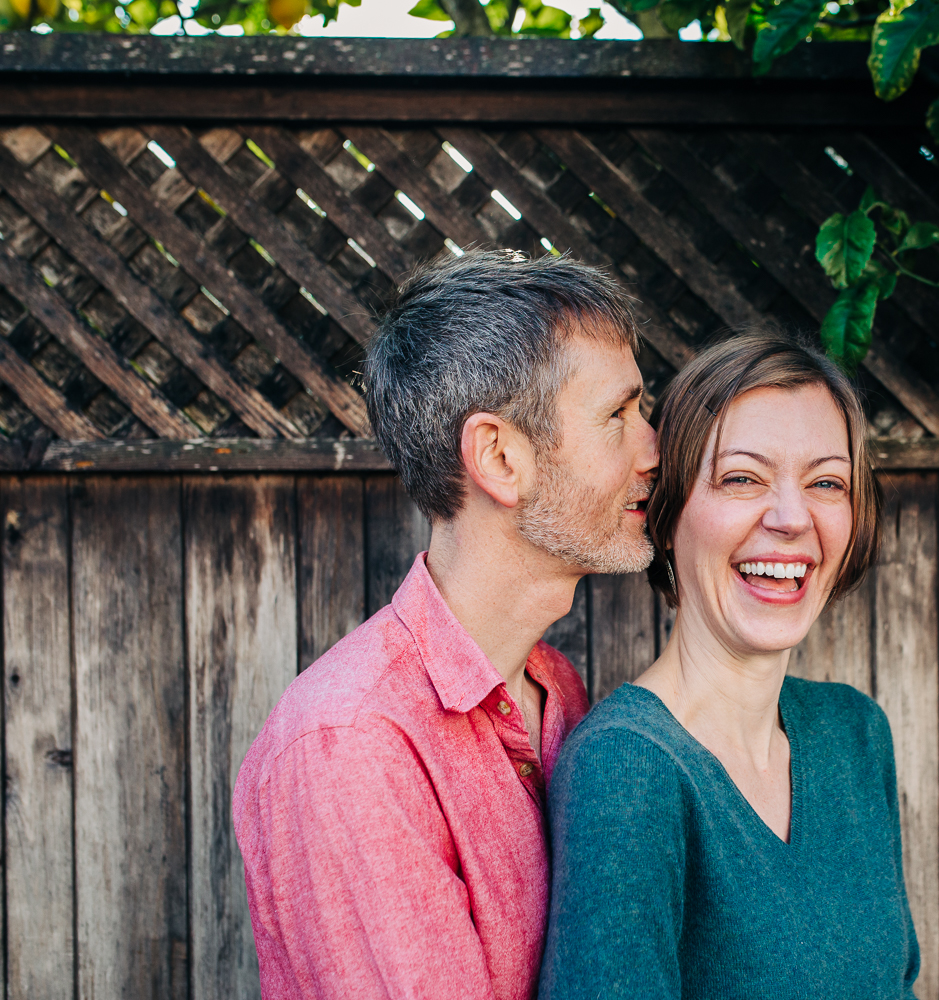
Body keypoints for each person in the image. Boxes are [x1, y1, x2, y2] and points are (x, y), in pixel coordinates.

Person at [232, 251, 658, 999]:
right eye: (618, 416)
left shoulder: (557, 690)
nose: (653, 450)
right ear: (499, 457)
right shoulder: (353, 744)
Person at [539, 329, 920, 1000]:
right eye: (743, 478)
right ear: (665, 512)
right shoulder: (627, 768)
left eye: (827, 482)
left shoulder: (855, 735)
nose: (792, 517)